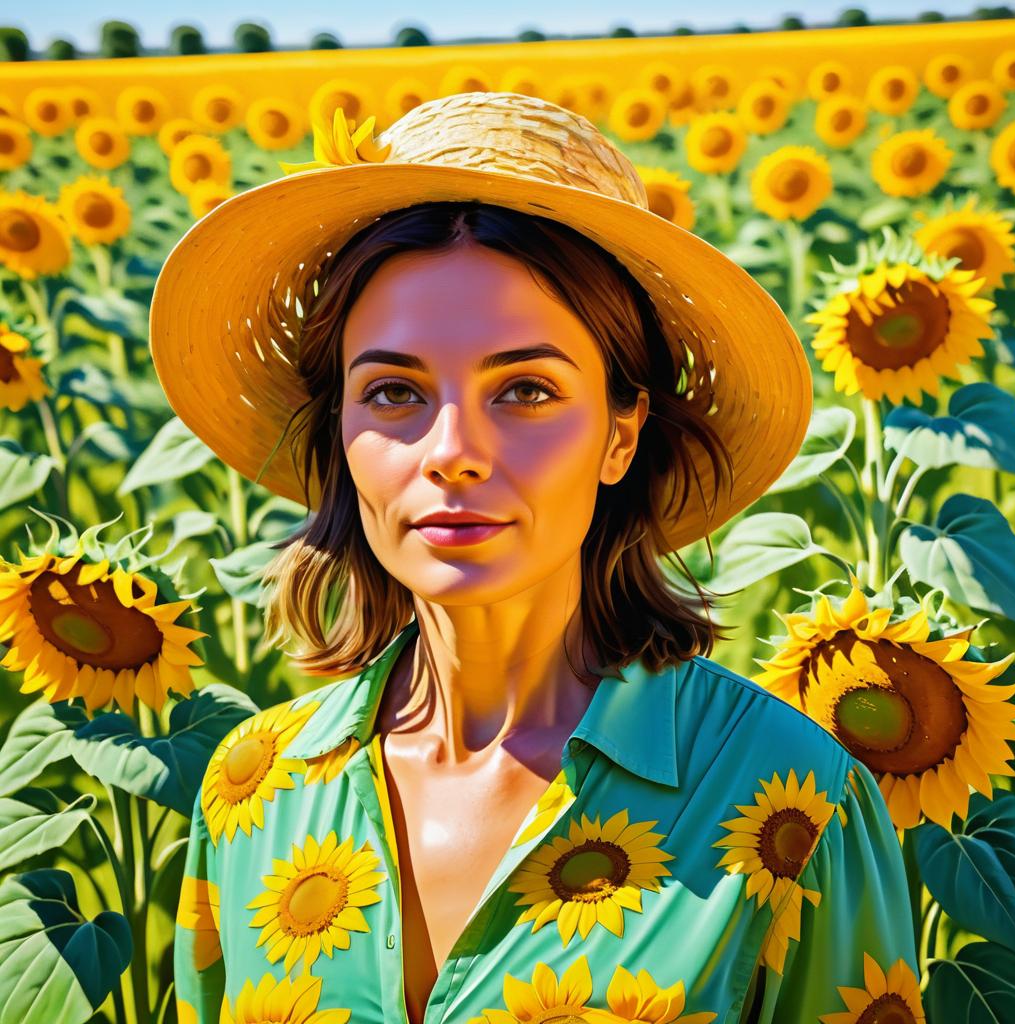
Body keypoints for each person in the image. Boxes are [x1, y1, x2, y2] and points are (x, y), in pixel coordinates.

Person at [158, 91, 921, 1024]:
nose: (451, 450)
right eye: (394, 392)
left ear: (621, 435)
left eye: (524, 390)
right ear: (341, 435)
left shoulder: (790, 799)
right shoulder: (253, 787)